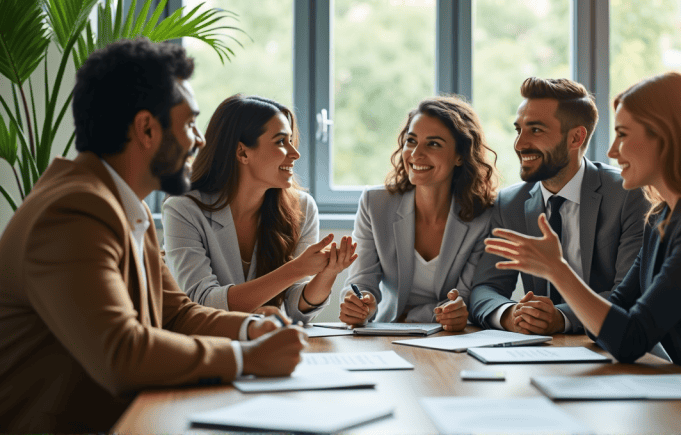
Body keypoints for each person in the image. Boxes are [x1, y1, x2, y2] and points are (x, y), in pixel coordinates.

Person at [0, 39, 306, 432]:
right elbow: (121, 354)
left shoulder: (127, 206)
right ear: (146, 128)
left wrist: (250, 328)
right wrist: (248, 358)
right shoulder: (72, 211)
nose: (199, 141)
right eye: (190, 123)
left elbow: (175, 314)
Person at [485, 72, 681, 397]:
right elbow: (612, 318)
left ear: (665, 138)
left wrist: (557, 269)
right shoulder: (661, 217)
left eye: (622, 134)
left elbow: (630, 339)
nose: (612, 151)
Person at [469, 77, 648, 335]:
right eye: (519, 130)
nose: (519, 144)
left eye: (536, 130)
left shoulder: (627, 195)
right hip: (542, 352)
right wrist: (511, 314)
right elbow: (485, 289)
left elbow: (628, 295)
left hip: (611, 349)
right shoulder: (510, 204)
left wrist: (561, 317)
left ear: (576, 138)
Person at [162, 95, 356, 322]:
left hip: (270, 344)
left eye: (292, 140)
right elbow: (203, 304)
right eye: (281, 141)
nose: (295, 153)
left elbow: (295, 311)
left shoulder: (303, 208)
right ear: (242, 152)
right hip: (211, 347)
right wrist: (296, 269)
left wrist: (328, 274)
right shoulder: (182, 209)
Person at [339, 96, 498, 331]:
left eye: (433, 144)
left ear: (460, 156)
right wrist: (362, 304)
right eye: (411, 141)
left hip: (451, 339)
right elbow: (362, 281)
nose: (415, 154)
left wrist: (410, 315)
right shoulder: (375, 204)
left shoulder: (483, 216)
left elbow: (465, 298)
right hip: (388, 337)